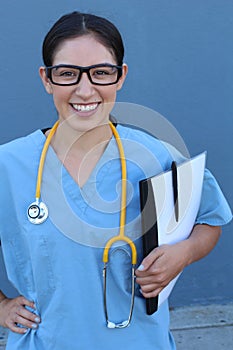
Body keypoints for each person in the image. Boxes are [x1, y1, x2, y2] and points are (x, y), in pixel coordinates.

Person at [0, 11, 232, 350]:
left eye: (101, 72)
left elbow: (211, 220)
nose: (84, 89)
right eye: (67, 74)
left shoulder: (156, 156)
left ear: (120, 76)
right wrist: (2, 305)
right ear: (47, 79)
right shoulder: (9, 165)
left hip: (140, 341)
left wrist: (184, 252)